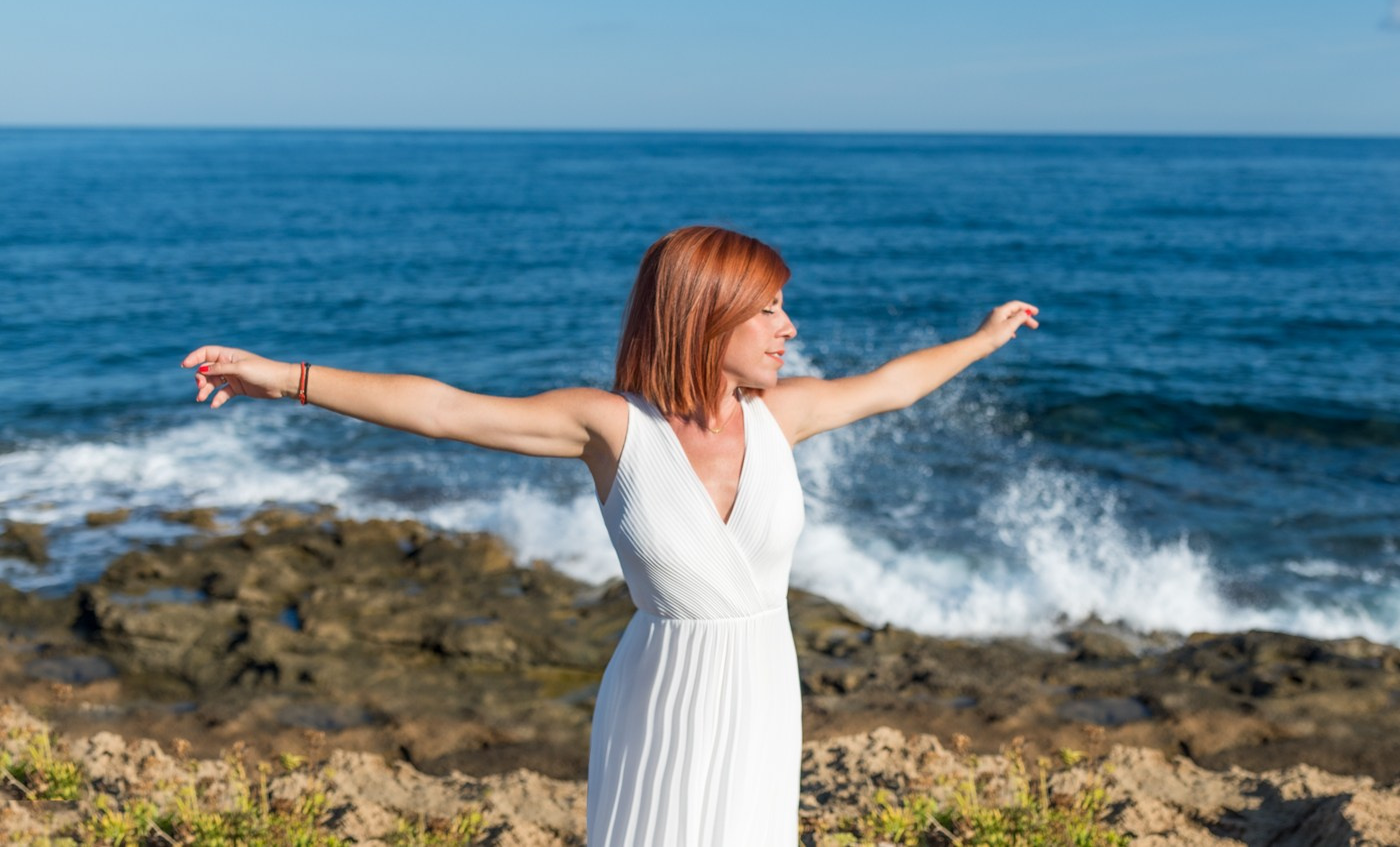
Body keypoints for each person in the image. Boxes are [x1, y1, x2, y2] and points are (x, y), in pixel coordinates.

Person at [181, 225, 1038, 846]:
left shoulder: (784, 414)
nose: (791, 328)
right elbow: (442, 409)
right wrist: (284, 376)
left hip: (762, 686)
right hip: (661, 692)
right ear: (708, 315)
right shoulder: (611, 427)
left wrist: (982, 338)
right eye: (770, 309)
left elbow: (892, 385)